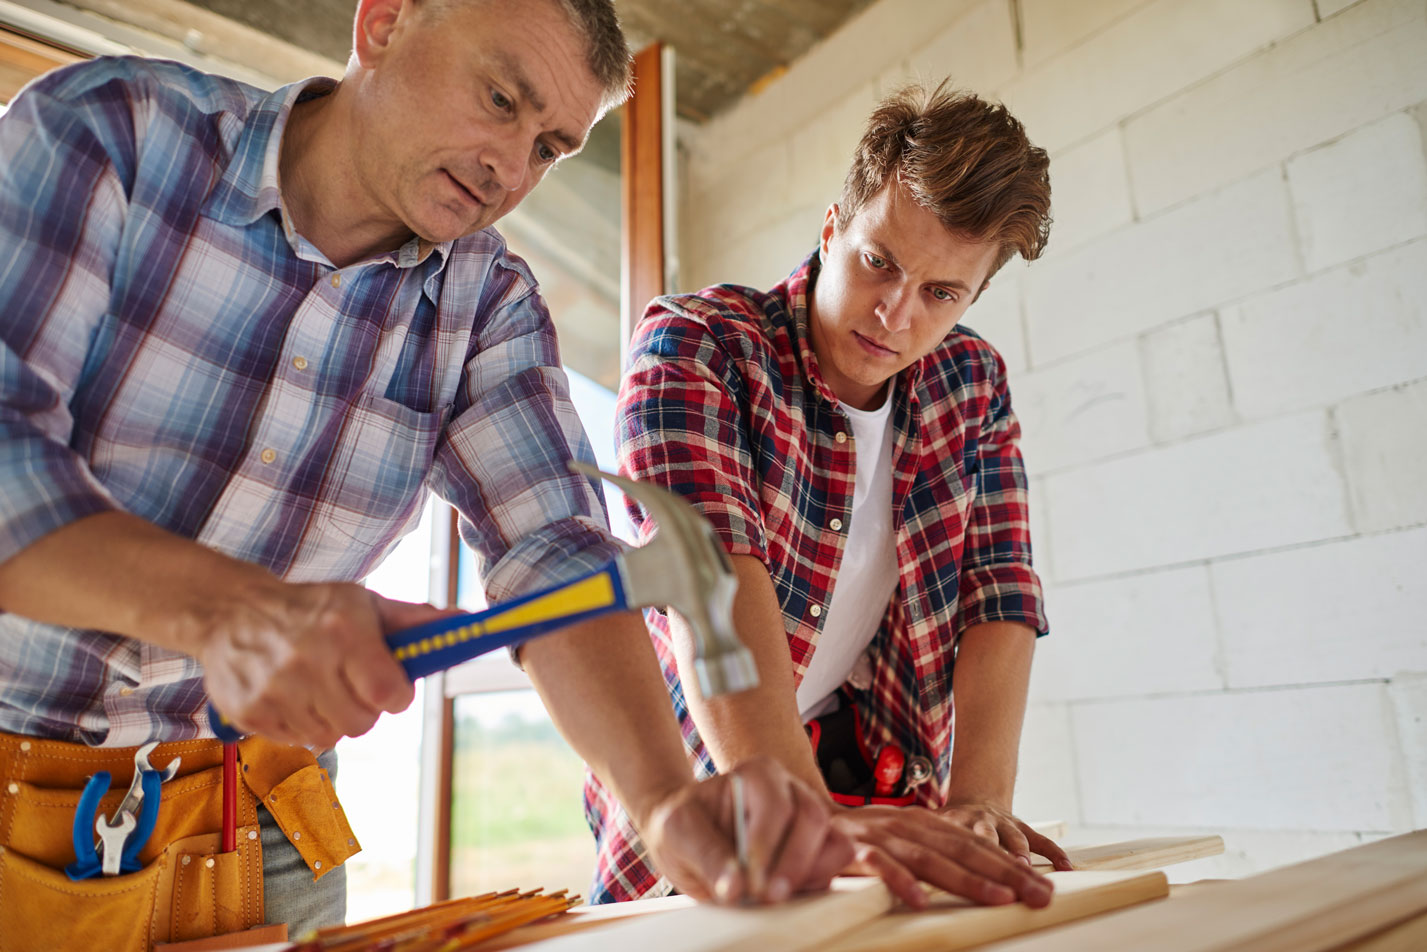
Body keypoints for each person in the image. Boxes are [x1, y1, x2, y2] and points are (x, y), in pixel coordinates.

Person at [0, 0, 854, 944]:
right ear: (385, 22)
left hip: (261, 806)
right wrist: (230, 612)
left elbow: (555, 557)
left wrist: (660, 800)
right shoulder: (112, 131)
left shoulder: (486, 305)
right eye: (500, 97)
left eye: (551, 148)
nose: (509, 168)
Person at [585, 83, 1070, 909]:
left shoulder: (973, 385)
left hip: (880, 768)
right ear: (831, 225)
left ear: (972, 300)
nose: (893, 311)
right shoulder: (697, 347)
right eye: (878, 261)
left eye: (939, 294)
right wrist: (798, 813)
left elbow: (999, 594)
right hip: (714, 779)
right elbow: (706, 586)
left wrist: (980, 801)